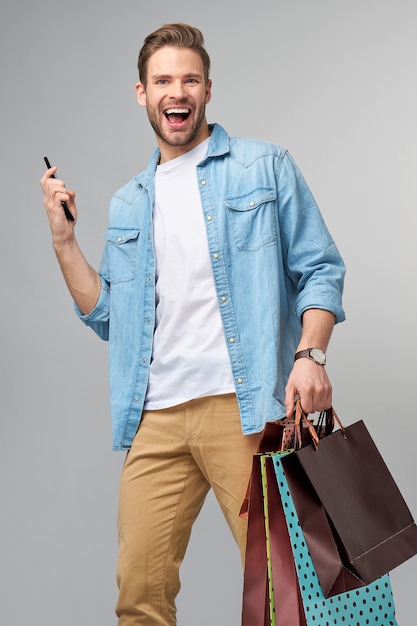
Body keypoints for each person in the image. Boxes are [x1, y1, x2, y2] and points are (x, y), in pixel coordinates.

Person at [40, 23, 345, 626]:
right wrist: (64, 240)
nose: (175, 92)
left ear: (208, 90)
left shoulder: (264, 165)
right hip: (155, 417)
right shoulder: (131, 201)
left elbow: (320, 270)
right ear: (141, 93)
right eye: (162, 81)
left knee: (286, 593)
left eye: (188, 79)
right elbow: (108, 317)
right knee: (140, 596)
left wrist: (310, 356)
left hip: (248, 408)